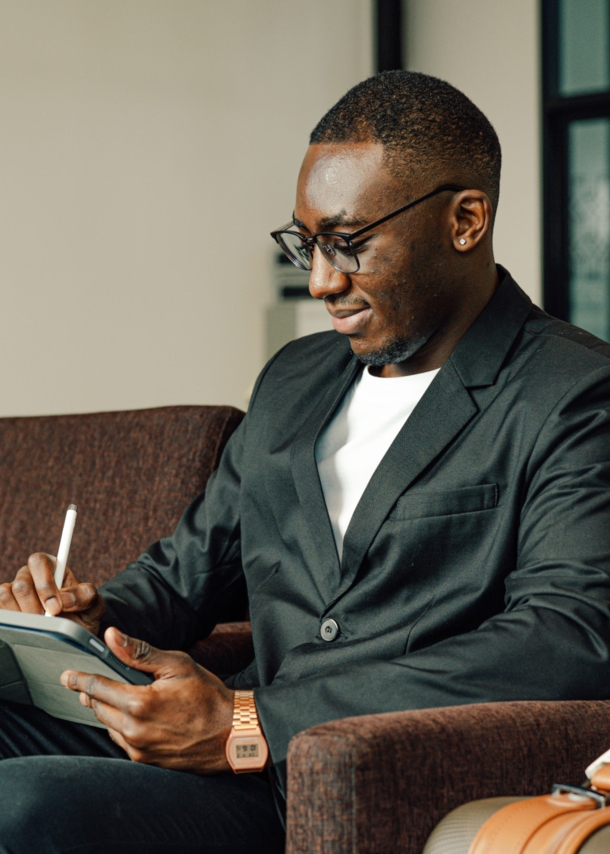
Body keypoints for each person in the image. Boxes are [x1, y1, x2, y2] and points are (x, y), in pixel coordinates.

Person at [0, 70, 610, 854]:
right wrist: (93, 618)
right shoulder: (295, 381)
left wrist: (254, 722)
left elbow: (567, 639)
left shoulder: (572, 393)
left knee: (18, 807)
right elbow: (185, 575)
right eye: (308, 243)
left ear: (466, 221)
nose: (321, 280)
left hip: (347, 781)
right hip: (208, 752)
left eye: (350, 244)